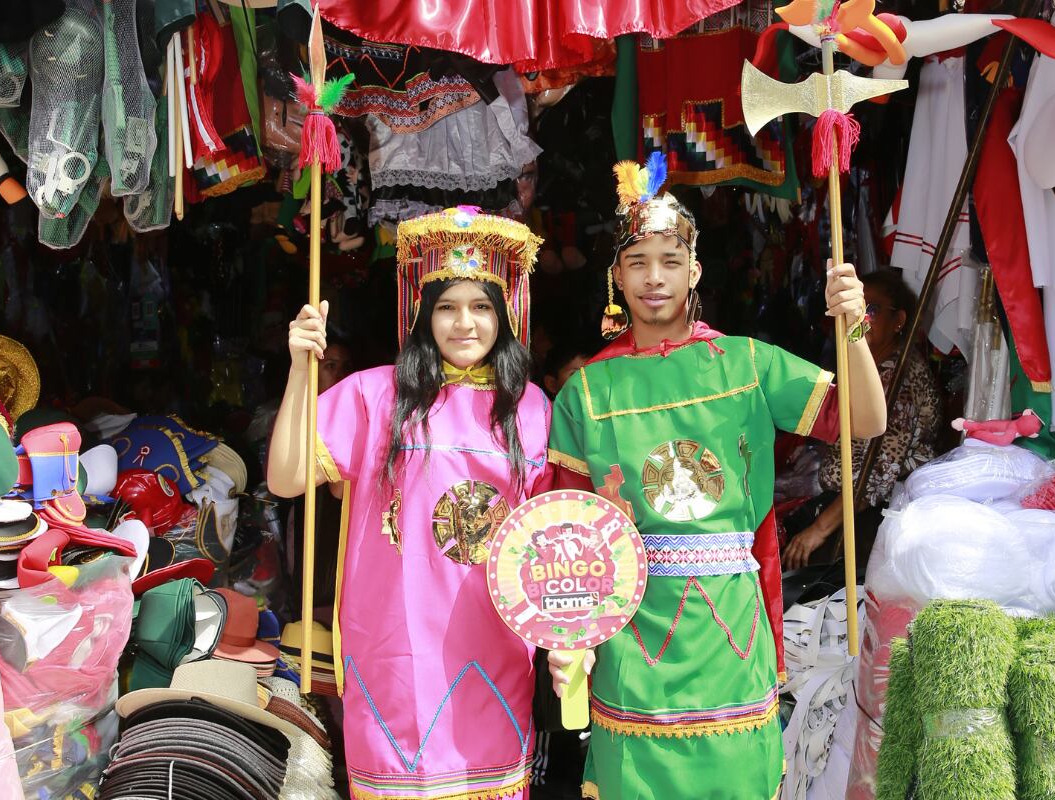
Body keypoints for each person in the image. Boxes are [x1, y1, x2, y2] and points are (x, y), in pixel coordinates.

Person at [545, 154, 887, 800]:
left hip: (731, 630)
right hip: (632, 637)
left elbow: (864, 420)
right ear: (616, 274)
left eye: (670, 261)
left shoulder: (747, 364)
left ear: (694, 271)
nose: (654, 278)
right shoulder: (586, 391)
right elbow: (565, 535)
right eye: (638, 262)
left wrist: (856, 329)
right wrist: (571, 644)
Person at [267, 207, 550, 800]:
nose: (464, 323)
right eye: (447, 307)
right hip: (397, 657)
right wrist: (300, 368)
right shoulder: (374, 394)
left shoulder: (530, 409)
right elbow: (288, 478)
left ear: (504, 315)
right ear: (424, 315)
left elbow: (548, 537)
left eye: (481, 307)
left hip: (495, 652)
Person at [781, 270, 941, 570]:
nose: (860, 317)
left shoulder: (897, 380)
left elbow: (876, 473)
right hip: (847, 507)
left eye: (871, 309)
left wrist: (817, 531)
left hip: (873, 515)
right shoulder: (874, 366)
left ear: (899, 321)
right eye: (856, 307)